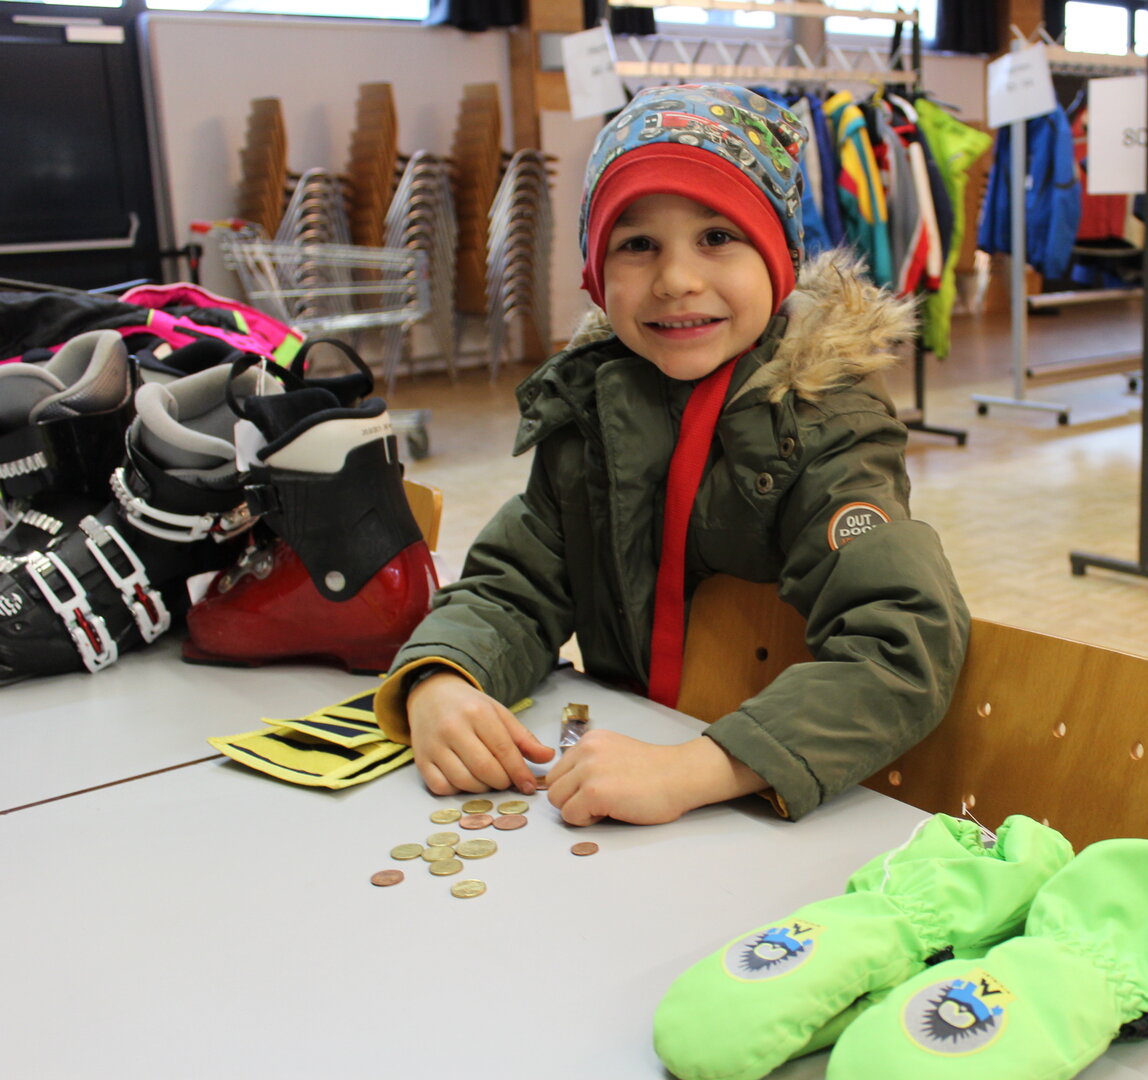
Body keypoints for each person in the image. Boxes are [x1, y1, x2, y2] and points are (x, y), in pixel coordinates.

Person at [372, 85, 970, 827]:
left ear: (779, 257)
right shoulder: (589, 414)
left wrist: (698, 768)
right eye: (637, 244)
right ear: (595, 276)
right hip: (628, 788)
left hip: (757, 806)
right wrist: (440, 679)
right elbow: (513, 586)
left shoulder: (828, 428)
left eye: (717, 237)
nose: (677, 279)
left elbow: (902, 640)